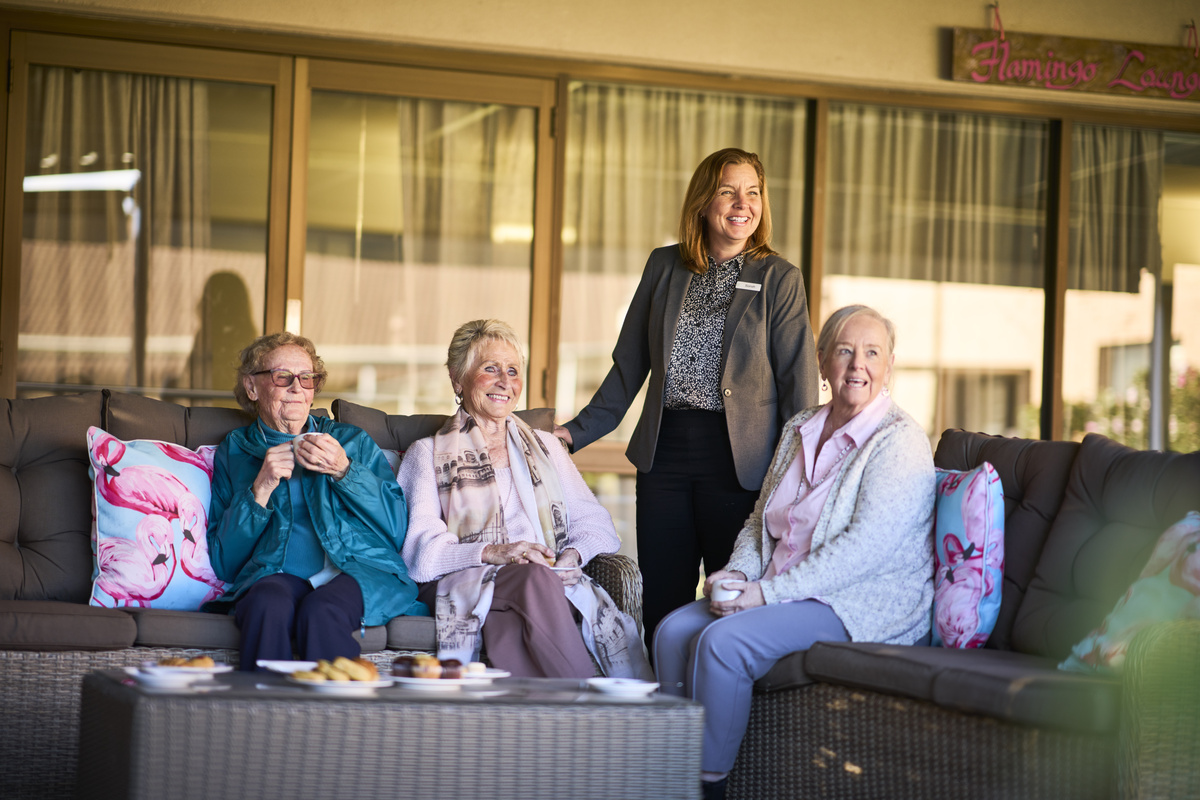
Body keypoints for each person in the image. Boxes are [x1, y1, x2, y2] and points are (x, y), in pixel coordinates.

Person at [652, 305, 935, 800]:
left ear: (889, 365)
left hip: (855, 600)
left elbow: (862, 551)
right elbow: (760, 523)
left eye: (872, 353)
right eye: (845, 351)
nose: (857, 366)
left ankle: (703, 787)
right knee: (674, 631)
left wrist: (763, 594)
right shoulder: (800, 427)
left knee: (723, 643)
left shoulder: (899, 440)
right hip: (784, 588)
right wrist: (737, 574)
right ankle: (668, 769)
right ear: (822, 360)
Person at [555, 147, 819, 647]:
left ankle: (719, 709)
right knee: (664, 599)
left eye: (753, 192)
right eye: (728, 191)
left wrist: (795, 478)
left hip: (742, 463)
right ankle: (663, 715)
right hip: (666, 454)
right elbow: (629, 367)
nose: (743, 204)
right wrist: (573, 433)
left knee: (729, 597)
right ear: (703, 201)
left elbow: (798, 388)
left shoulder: (778, 278)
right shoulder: (664, 266)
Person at [398, 319, 652, 679]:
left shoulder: (547, 447)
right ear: (458, 378)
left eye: (513, 371)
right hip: (465, 580)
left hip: (541, 581)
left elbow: (597, 524)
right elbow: (419, 556)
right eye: (490, 369)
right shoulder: (427, 454)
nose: (505, 381)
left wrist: (570, 557)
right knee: (534, 579)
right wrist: (497, 553)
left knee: (513, 623)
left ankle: (529, 722)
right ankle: (596, 705)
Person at [206, 332, 426, 670]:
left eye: (307, 378)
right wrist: (260, 488)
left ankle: (333, 720)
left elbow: (397, 529)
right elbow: (225, 561)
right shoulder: (236, 450)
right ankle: (262, 715)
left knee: (323, 610)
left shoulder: (350, 441)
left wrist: (345, 471)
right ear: (252, 388)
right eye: (283, 377)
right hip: (276, 574)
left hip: (357, 569)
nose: (297, 387)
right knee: (265, 603)